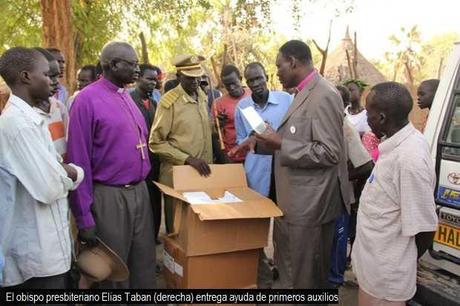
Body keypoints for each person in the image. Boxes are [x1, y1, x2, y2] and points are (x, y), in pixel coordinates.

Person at [235, 40, 351, 292]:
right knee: (290, 274)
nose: (276, 72)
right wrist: (258, 145)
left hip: (311, 206)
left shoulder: (324, 95)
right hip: (292, 202)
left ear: (293, 62)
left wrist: (279, 142)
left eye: (279, 66)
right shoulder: (300, 94)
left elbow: (330, 152)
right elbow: (298, 142)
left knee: (306, 278)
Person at [67, 42, 156, 289]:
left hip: (139, 193)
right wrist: (84, 218)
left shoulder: (125, 95)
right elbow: (78, 159)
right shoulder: (86, 100)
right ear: (113, 64)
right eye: (133, 64)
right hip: (110, 198)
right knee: (114, 272)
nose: (138, 69)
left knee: (143, 263)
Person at [0, 47, 84, 289]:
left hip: (50, 250)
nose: (53, 81)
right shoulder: (18, 126)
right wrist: (73, 173)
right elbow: (49, 188)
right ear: (26, 77)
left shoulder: (31, 120)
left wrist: (60, 171)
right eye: (46, 75)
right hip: (36, 258)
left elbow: (54, 170)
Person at [352, 82, 438, 306]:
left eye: (368, 112)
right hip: (374, 273)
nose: (365, 117)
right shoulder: (394, 144)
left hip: (386, 283)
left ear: (381, 118)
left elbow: (424, 229)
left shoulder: (409, 158)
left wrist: (398, 265)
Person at [231, 62, 292, 288]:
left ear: (266, 77)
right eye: (250, 80)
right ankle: (263, 278)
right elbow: (240, 140)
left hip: (284, 173)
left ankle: (284, 274)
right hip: (256, 174)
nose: (255, 84)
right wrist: (252, 140)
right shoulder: (243, 108)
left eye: (258, 78)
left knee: (285, 229)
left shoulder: (286, 99)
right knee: (256, 231)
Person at [149, 54, 212, 234]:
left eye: (198, 77)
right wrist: (187, 159)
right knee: (177, 230)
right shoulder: (169, 102)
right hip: (178, 175)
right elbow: (156, 143)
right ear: (179, 76)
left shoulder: (202, 95)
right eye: (190, 78)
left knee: (199, 229)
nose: (195, 81)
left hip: (202, 174)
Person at [328, 85, 373, 287]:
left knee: (338, 241)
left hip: (340, 196)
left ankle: (335, 281)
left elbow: (366, 166)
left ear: (343, 105)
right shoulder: (330, 123)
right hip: (327, 197)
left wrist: (341, 177)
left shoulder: (346, 128)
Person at [130, 64, 162, 244]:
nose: (153, 82)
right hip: (138, 162)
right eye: (149, 78)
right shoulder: (129, 100)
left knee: (155, 202)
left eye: (155, 79)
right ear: (138, 78)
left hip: (154, 161)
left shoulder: (155, 103)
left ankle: (154, 236)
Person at [32, 47, 69, 158]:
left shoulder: (59, 107)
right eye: (50, 76)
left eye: (57, 76)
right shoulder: (25, 114)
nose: (56, 82)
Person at [212, 64, 251, 162]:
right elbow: (215, 135)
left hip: (255, 153)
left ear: (240, 79)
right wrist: (218, 126)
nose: (232, 88)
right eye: (227, 85)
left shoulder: (252, 93)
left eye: (234, 83)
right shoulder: (218, 104)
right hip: (233, 156)